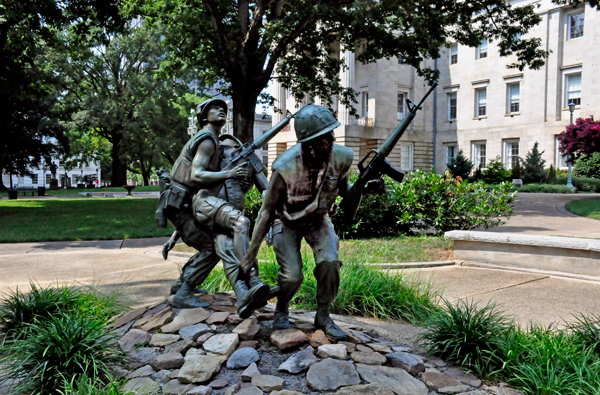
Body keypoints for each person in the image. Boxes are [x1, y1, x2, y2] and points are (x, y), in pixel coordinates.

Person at [241, 104, 356, 341]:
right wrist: (250, 256)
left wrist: (365, 188)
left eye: (331, 135)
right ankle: (281, 309)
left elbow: (346, 191)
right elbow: (265, 213)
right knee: (292, 275)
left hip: (317, 220)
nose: (331, 140)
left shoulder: (341, 157)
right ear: (309, 143)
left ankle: (323, 316)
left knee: (330, 263)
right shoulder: (284, 168)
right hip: (286, 220)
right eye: (324, 138)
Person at [156, 98, 270, 313]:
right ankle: (183, 294)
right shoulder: (207, 140)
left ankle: (181, 285)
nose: (220, 110)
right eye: (214, 108)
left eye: (223, 108)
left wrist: (175, 235)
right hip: (181, 204)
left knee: (211, 246)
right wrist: (229, 173)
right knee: (211, 248)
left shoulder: (213, 141)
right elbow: (196, 175)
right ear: (203, 116)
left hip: (183, 203)